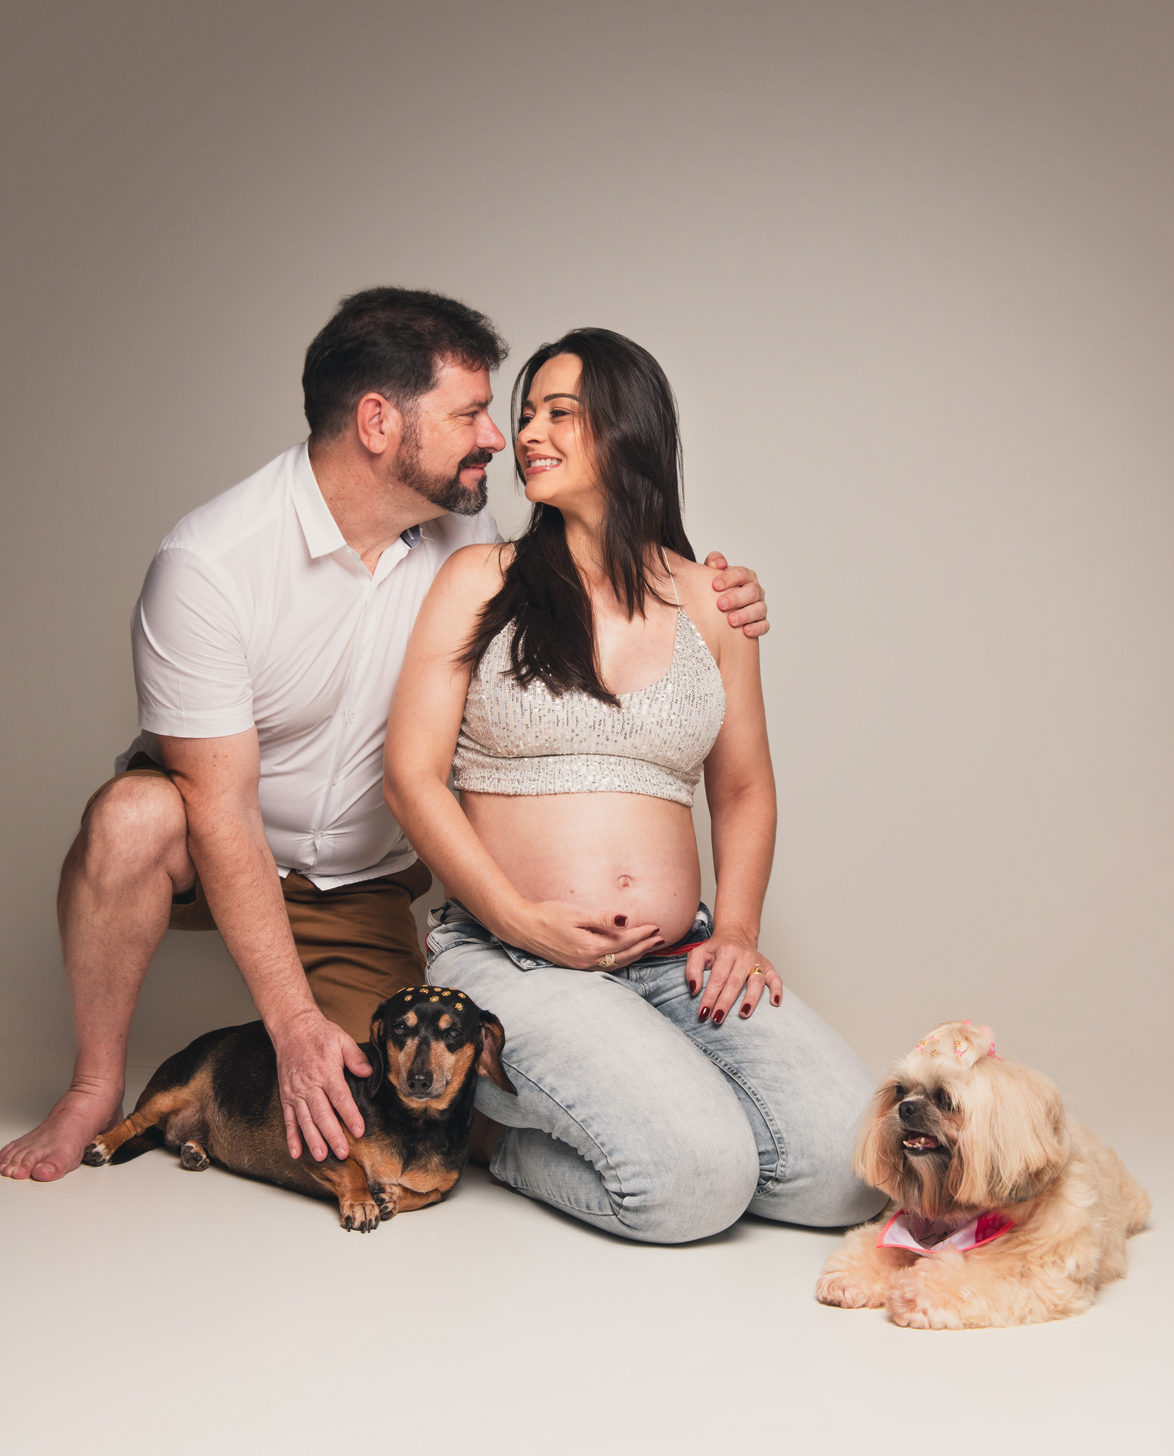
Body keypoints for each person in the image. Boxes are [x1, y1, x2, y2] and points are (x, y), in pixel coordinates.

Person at [1, 289, 769, 1185]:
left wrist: (710, 590)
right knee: (132, 816)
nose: (499, 437)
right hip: (213, 845)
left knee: (422, 1116)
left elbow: (594, 588)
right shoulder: (210, 563)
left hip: (360, 882)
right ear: (377, 422)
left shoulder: (469, 533)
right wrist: (293, 1024)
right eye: (471, 414)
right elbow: (219, 808)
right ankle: (95, 1082)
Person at [386, 328, 885, 1244]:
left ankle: (660, 1118)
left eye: (559, 413)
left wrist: (736, 932)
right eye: (526, 414)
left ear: (629, 429)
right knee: (693, 1184)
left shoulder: (714, 603)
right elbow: (411, 777)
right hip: (513, 956)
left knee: (849, 1170)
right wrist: (517, 918)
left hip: (675, 956)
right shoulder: (480, 580)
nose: (528, 433)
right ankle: (497, 1134)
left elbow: (743, 789)